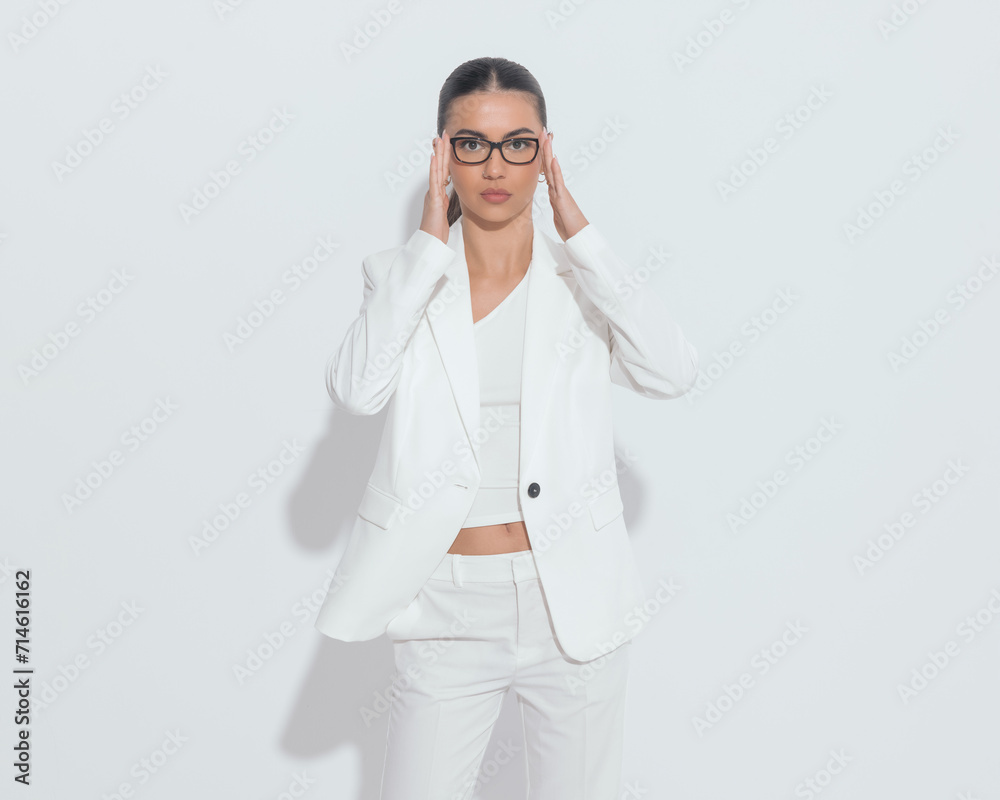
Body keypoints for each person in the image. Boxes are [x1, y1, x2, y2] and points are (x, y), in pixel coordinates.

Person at [317, 56, 699, 800]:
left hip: (573, 604)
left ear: (545, 152)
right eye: (472, 143)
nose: (496, 165)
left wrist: (581, 233)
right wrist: (428, 245)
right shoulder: (399, 275)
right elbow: (357, 392)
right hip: (447, 605)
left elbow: (671, 371)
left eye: (518, 143)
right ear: (442, 155)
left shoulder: (580, 284)